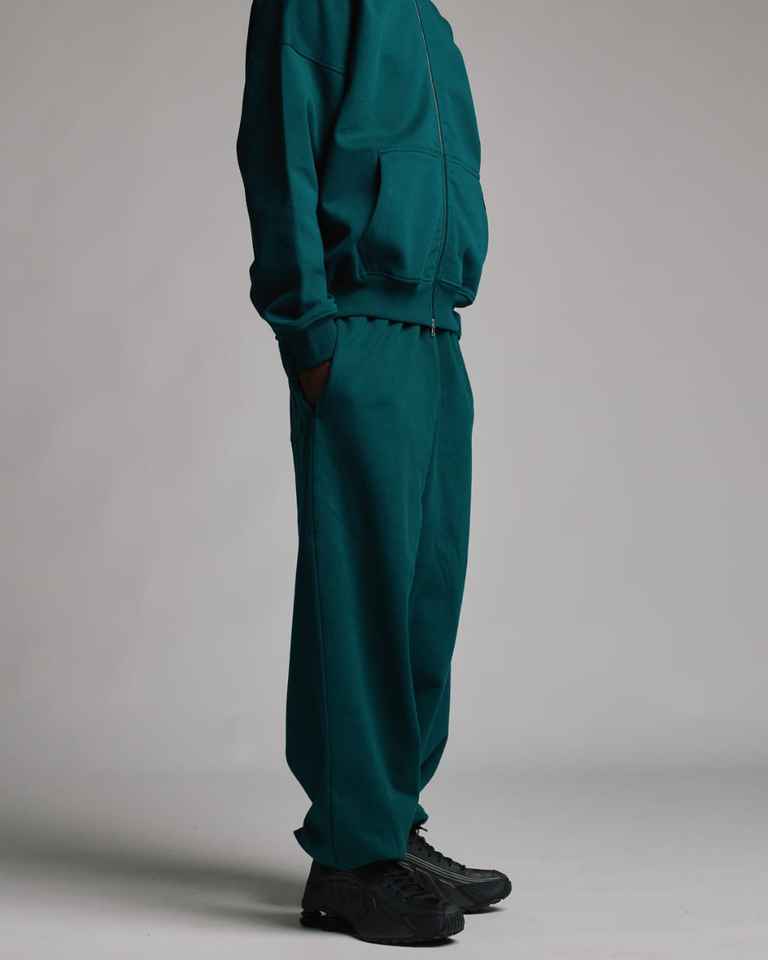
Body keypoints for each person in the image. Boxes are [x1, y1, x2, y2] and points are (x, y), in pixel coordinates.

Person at [237, 0, 510, 944]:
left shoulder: (430, 21)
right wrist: (308, 330)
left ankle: (393, 822)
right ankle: (351, 859)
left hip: (436, 329)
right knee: (360, 598)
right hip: (355, 327)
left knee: (423, 598)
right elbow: (280, 150)